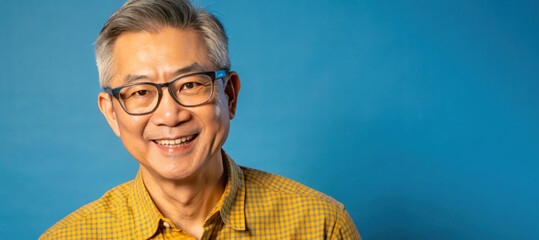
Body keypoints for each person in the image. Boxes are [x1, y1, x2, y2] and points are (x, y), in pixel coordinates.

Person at [40, 0, 361, 239]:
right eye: (140, 92)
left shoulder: (320, 224)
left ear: (230, 95)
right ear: (112, 112)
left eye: (191, 84)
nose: (170, 115)